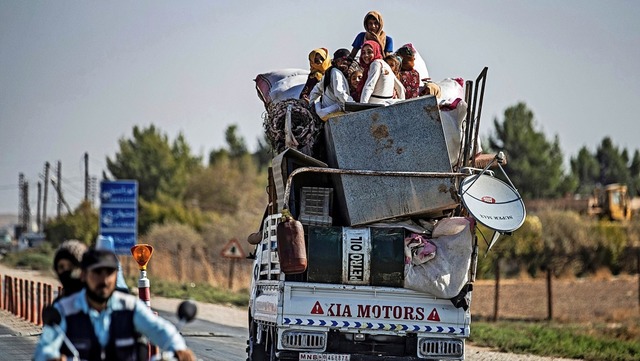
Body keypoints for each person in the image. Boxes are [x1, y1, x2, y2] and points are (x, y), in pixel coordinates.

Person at [34, 248, 196, 361]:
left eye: (109, 273)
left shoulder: (130, 307)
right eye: (97, 273)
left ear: (116, 275)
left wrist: (178, 349)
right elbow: (45, 348)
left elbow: (159, 329)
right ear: (84, 275)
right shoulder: (65, 309)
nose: (104, 280)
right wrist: (51, 357)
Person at [308, 48, 354, 120]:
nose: (343, 63)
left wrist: (311, 105)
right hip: (334, 112)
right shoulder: (336, 72)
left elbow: (316, 90)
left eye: (346, 61)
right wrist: (353, 104)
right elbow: (339, 92)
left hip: (327, 112)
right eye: (340, 61)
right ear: (335, 62)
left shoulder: (329, 72)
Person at [356, 40, 405, 105]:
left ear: (376, 51)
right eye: (363, 52)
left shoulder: (375, 64)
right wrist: (403, 103)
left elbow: (369, 86)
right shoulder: (384, 64)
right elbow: (400, 87)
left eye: (369, 52)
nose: (366, 55)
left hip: (375, 105)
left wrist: (362, 107)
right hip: (387, 105)